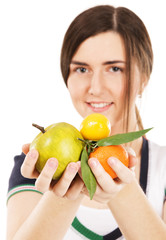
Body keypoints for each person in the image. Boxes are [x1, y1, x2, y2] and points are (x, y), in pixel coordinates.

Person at [6, 5, 166, 240]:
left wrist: (121, 188)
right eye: (81, 69)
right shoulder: (37, 166)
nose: (96, 88)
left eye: (114, 68)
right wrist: (66, 191)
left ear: (144, 77)